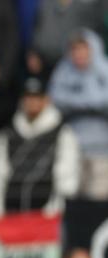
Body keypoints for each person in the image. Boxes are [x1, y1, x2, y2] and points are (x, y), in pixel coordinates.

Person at [0, 77, 80, 217]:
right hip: (11, 213)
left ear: (46, 100)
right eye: (28, 97)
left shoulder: (62, 133)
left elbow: (66, 178)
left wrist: (54, 212)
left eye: (37, 97)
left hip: (47, 216)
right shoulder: (9, 133)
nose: (32, 102)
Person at [49, 29, 108, 201]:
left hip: (102, 146)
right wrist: (91, 103)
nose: (79, 54)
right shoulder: (63, 71)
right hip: (72, 145)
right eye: (75, 50)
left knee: (100, 198)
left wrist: (77, 101)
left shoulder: (103, 69)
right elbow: (56, 99)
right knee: (71, 196)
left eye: (83, 49)